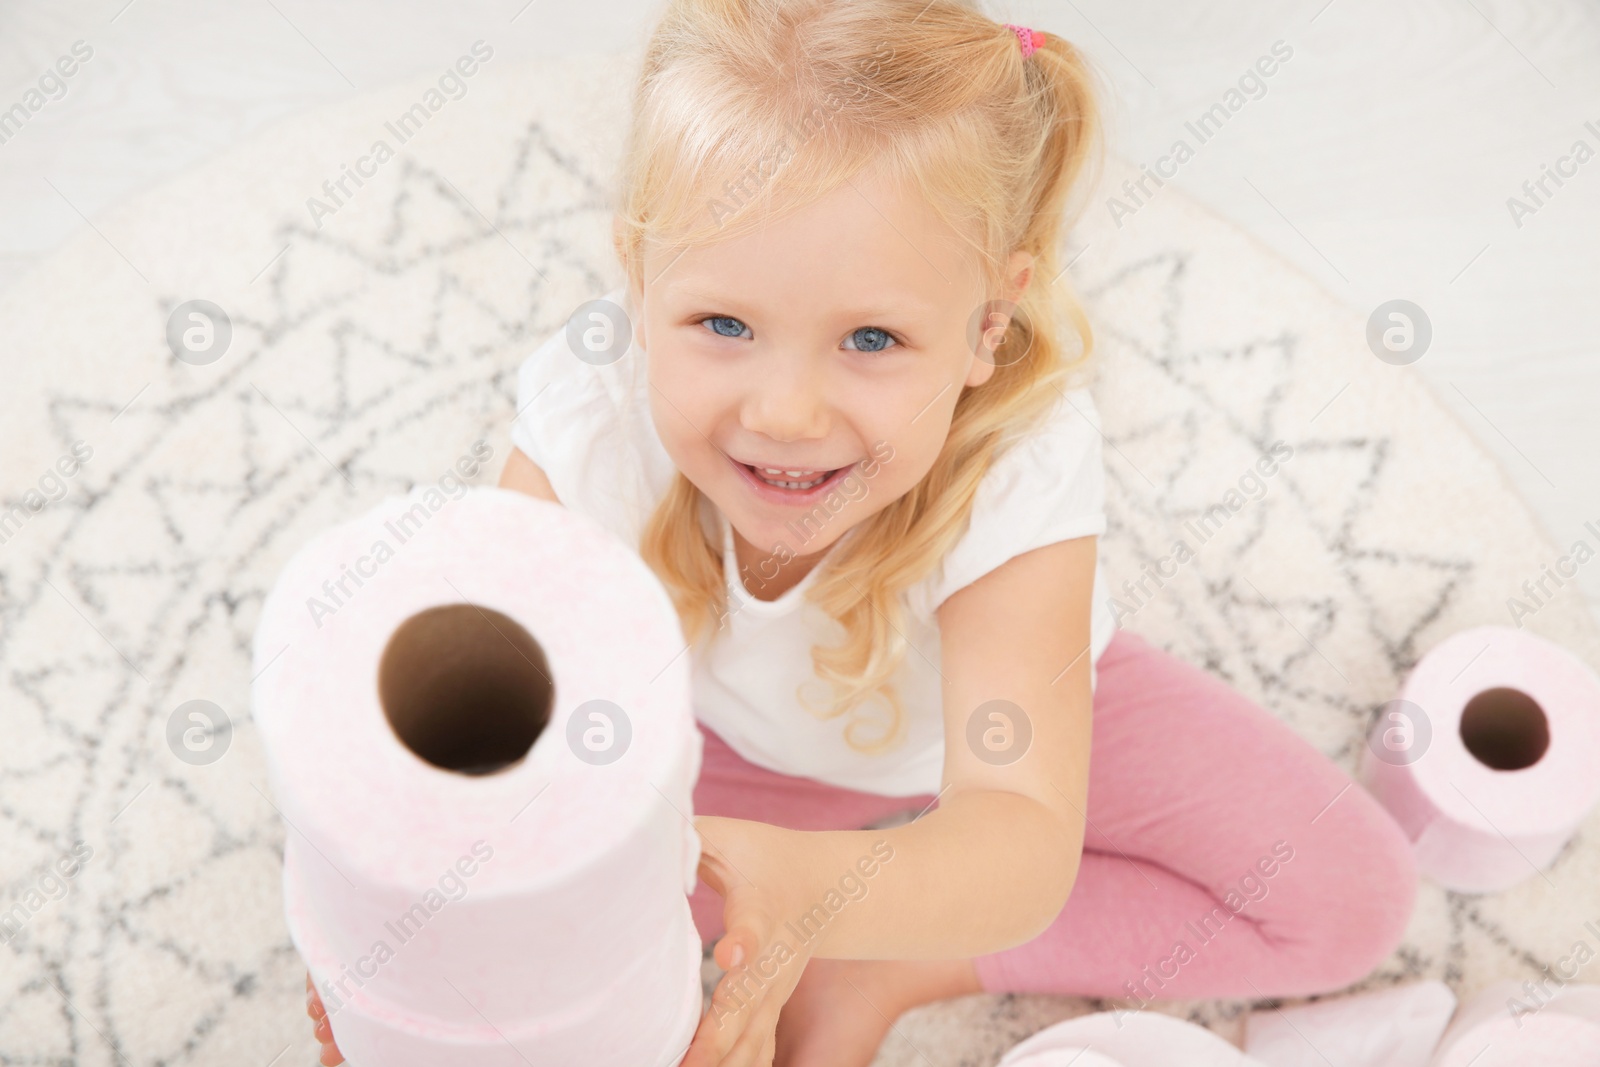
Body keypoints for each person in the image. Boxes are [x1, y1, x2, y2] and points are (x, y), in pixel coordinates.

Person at [306, 1, 1417, 1063]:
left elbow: (1020, 827)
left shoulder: (1017, 460)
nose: (784, 412)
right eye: (723, 323)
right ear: (638, 282)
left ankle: (886, 969)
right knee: (535, 932)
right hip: (716, 758)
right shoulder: (588, 414)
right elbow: (490, 728)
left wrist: (823, 902)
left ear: (990, 324)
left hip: (966, 725)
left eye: (872, 338)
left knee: (1344, 896)